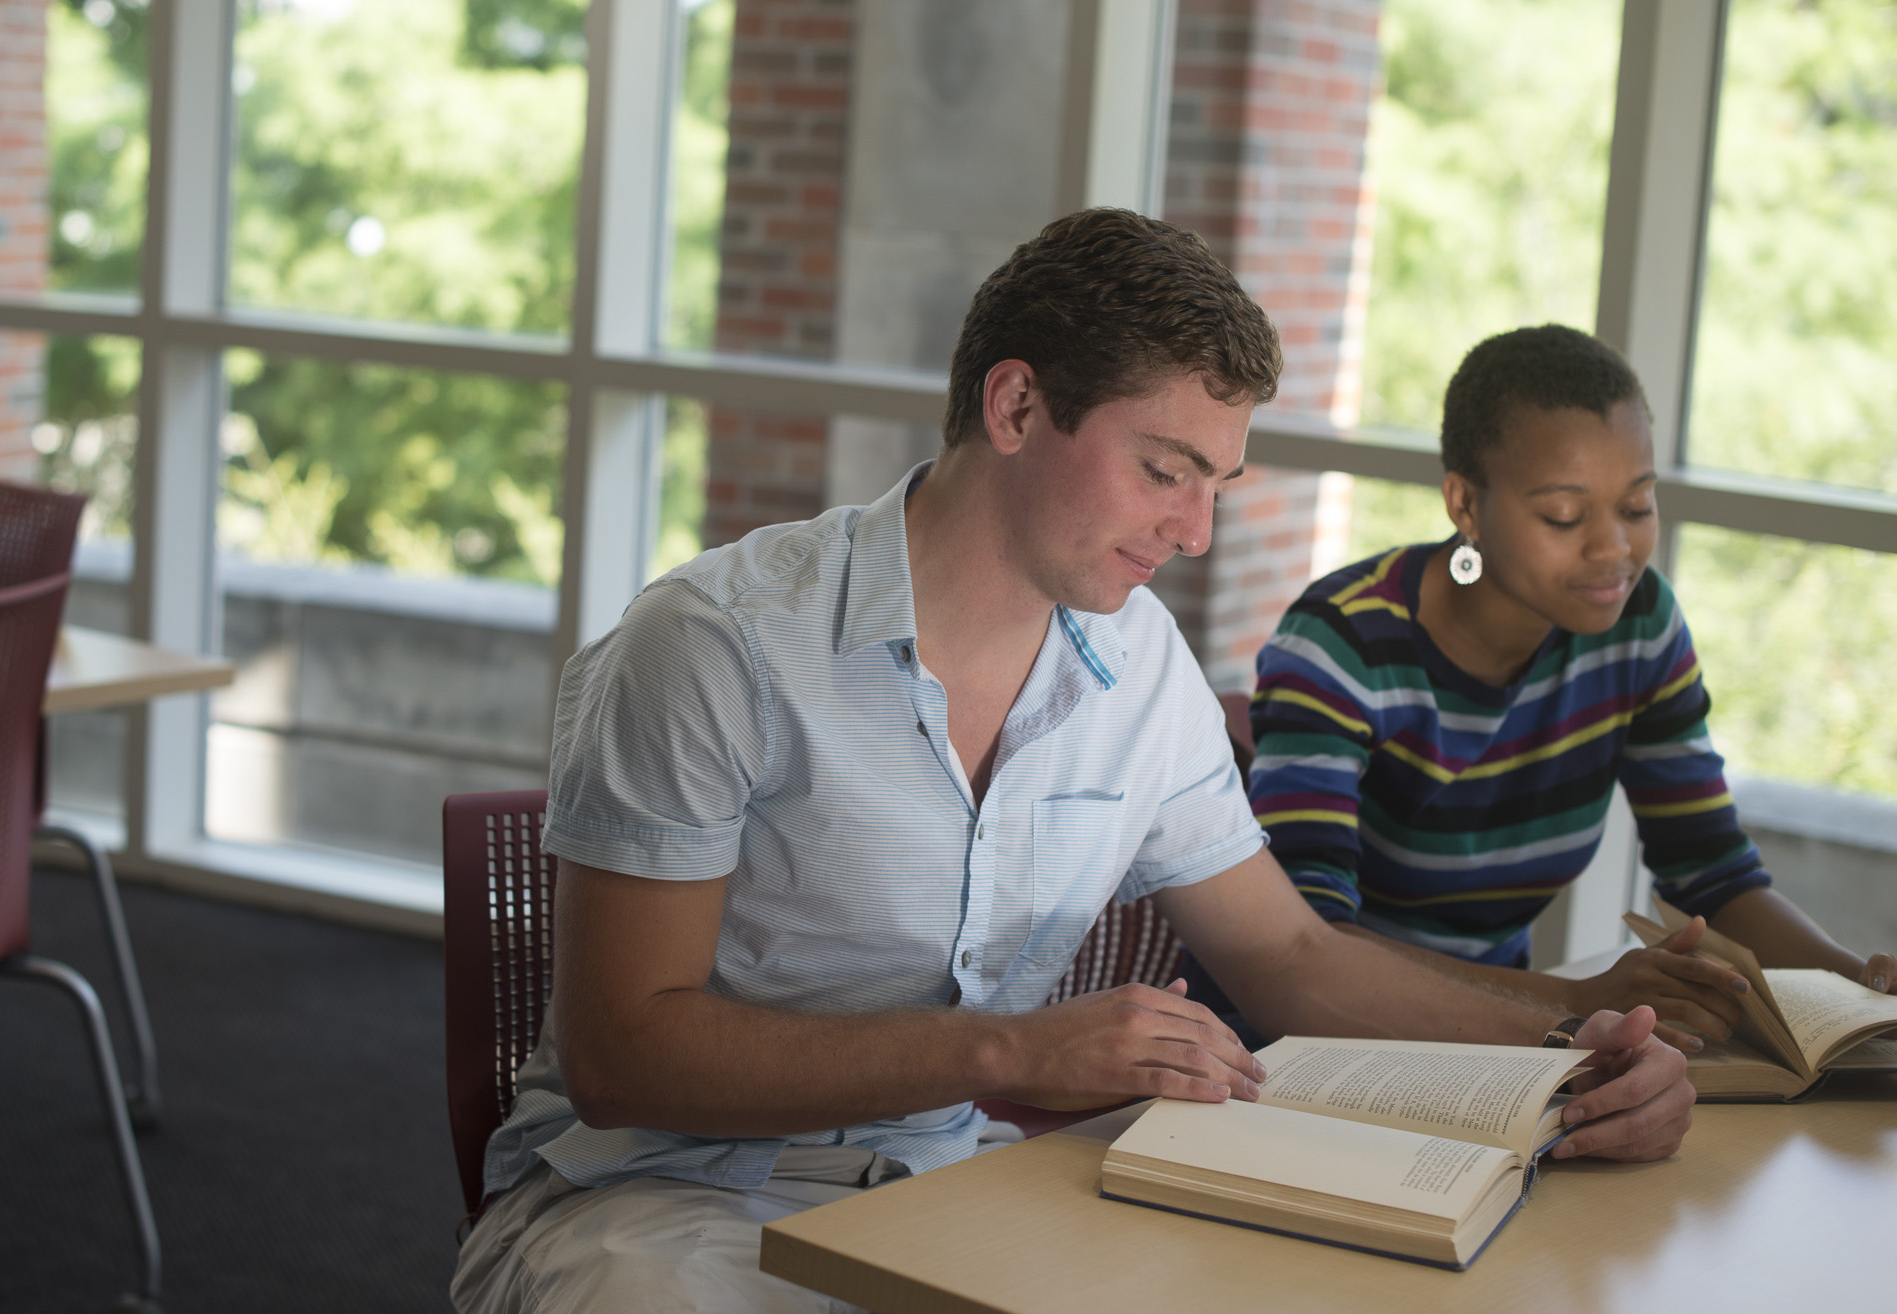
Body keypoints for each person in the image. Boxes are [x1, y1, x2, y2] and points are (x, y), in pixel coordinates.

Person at [451, 217, 1694, 1314]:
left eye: (1216, 483)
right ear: (1013, 409)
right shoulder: (714, 648)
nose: (1194, 532)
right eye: (1163, 470)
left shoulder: (1138, 666)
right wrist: (1007, 1050)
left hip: (957, 1185)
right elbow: (623, 1059)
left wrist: (1569, 1048)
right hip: (663, 1204)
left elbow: (1292, 956)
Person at [1188, 324, 1896, 1054]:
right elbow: (1309, 943)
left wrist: (1859, 989)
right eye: (1564, 515)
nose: (1614, 550)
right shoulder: (1344, 645)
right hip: (1292, 1047)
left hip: (1510, 1044)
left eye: (1636, 507)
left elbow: (1713, 873)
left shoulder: (1638, 627)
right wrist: (1579, 1004)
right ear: (1464, 505)